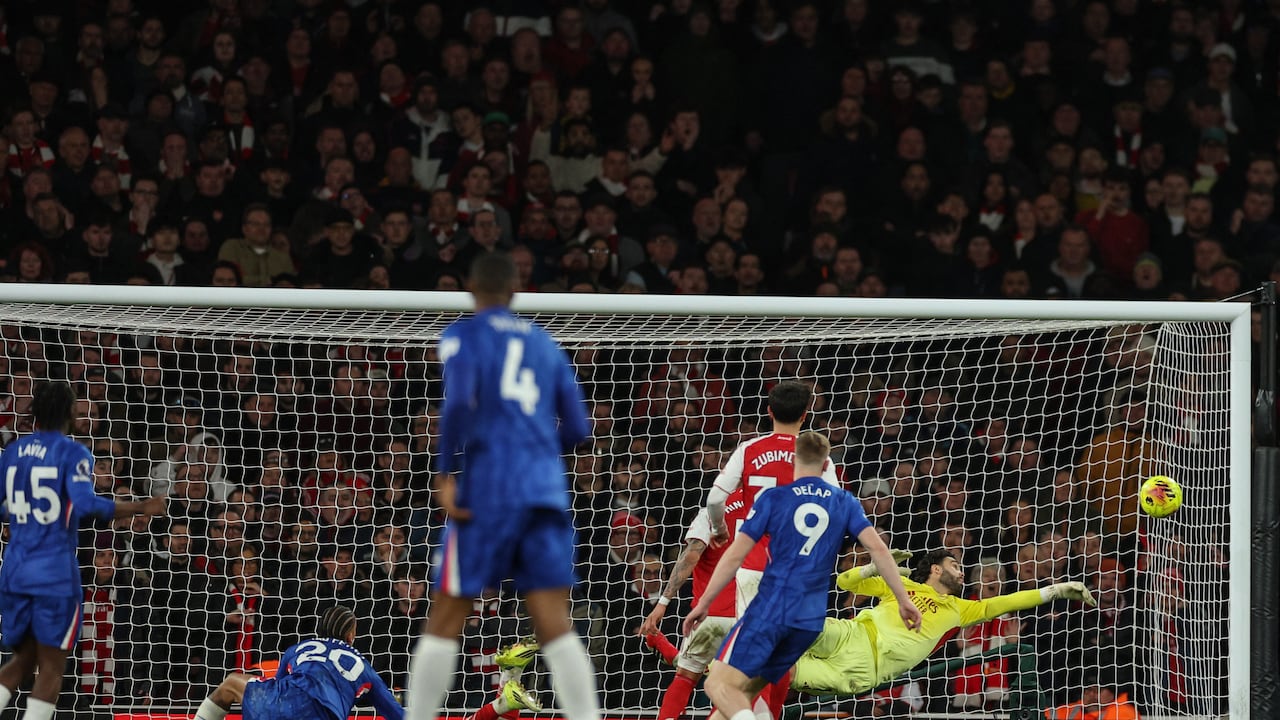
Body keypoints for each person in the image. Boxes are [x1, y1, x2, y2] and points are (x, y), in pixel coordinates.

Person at [407, 252, 600, 720]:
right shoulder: (546, 345)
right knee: (555, 624)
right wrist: (536, 448)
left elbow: (457, 404)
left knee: (446, 615)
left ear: (471, 289)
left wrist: (444, 473)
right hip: (545, 492)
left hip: (488, 490)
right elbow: (579, 428)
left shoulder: (463, 335)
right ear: (516, 291)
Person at [683, 432, 922, 720]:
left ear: (794, 461)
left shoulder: (774, 498)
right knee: (747, 695)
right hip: (809, 618)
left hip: (771, 608)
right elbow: (879, 550)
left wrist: (704, 603)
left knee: (717, 684)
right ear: (826, 465)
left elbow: (735, 555)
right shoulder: (843, 501)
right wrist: (903, 600)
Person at [0, 381, 167, 720]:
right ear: (70, 413)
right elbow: (88, 503)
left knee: (24, 658)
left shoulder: (13, 451)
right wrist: (141, 506)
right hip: (53, 572)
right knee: (52, 665)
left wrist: (22, 514)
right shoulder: (72, 452)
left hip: (14, 567)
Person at [790, 550, 1095, 697]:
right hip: (849, 634)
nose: (962, 572)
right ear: (936, 569)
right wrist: (874, 567)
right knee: (787, 627)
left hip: (863, 670)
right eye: (955, 565)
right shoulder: (901, 584)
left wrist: (1056, 591)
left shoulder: (961, 609)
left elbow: (1009, 601)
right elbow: (845, 582)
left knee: (781, 673)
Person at [705, 380, 839, 616]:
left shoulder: (748, 449)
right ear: (805, 415)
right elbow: (836, 508)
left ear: (769, 411)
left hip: (753, 565)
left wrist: (719, 528)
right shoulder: (817, 456)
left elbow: (715, 499)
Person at [637, 490, 758, 720]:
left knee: (685, 677)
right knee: (735, 686)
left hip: (709, 615)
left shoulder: (712, 512)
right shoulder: (765, 511)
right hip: (748, 618)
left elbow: (691, 556)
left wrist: (662, 603)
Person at [194, 606, 403, 720]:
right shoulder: (364, 667)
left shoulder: (299, 648)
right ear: (351, 636)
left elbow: (278, 685)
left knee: (231, 683)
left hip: (278, 705)